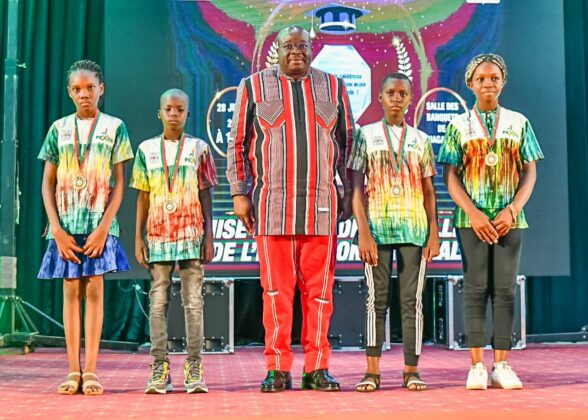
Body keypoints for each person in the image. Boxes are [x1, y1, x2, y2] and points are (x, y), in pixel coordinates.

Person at [226, 26, 354, 392]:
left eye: (302, 45)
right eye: (288, 46)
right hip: (272, 208)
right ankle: (277, 368)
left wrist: (348, 192)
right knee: (275, 294)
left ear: (312, 49)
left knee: (321, 295)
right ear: (276, 50)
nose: (296, 51)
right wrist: (239, 193)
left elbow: (348, 143)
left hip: (321, 207)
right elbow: (238, 144)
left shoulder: (334, 87)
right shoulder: (253, 86)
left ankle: (317, 368)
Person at [438, 54, 543, 390]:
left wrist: (513, 209)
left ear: (503, 82)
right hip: (472, 221)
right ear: (470, 83)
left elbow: (530, 172)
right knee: (475, 288)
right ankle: (476, 367)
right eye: (481, 79)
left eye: (494, 78)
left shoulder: (518, 122)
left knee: (505, 290)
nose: (488, 83)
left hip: (510, 221)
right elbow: (450, 176)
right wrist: (473, 212)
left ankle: (501, 365)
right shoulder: (458, 126)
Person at [38, 60, 133, 395]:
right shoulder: (59, 128)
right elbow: (46, 184)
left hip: (98, 226)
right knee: (70, 291)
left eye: (90, 88)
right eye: (77, 89)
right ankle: (72, 370)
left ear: (101, 89)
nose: (84, 94)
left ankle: (91, 369)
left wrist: (105, 227)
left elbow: (119, 184)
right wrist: (56, 229)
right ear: (69, 92)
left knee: (94, 291)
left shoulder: (115, 127)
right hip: (65, 226)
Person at [348, 73, 440, 392]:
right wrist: (363, 232)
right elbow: (355, 189)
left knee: (413, 301)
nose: (396, 98)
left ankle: (411, 370)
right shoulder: (365, 135)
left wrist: (434, 232)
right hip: (377, 229)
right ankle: (372, 372)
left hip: (415, 229)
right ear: (381, 97)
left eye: (402, 93)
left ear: (411, 98)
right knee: (376, 300)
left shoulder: (421, 140)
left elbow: (429, 191)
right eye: (390, 93)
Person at [130, 89, 217, 394]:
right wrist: (138, 236)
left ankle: (194, 365)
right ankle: (159, 366)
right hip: (158, 235)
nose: (173, 114)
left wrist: (209, 235)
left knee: (193, 302)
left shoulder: (199, 148)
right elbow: (142, 196)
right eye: (168, 109)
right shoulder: (146, 150)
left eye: (179, 109)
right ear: (160, 113)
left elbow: (206, 193)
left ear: (187, 114)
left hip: (191, 234)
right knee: (158, 302)